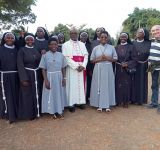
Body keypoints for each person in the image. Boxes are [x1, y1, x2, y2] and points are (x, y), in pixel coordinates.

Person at [39, 38, 67, 119]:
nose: (54, 46)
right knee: (50, 94)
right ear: (49, 45)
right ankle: (51, 111)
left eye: (55, 44)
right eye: (52, 44)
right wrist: (46, 80)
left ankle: (59, 111)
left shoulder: (61, 55)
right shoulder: (45, 55)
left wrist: (64, 78)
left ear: (57, 45)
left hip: (59, 77)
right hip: (49, 77)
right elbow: (43, 69)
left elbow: (63, 68)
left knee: (58, 94)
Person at [90, 31, 117, 112]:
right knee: (98, 86)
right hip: (98, 68)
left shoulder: (112, 47)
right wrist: (100, 59)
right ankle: (99, 105)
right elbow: (91, 60)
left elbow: (115, 58)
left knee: (108, 86)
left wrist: (107, 58)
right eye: (102, 37)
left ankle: (107, 104)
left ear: (108, 38)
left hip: (108, 68)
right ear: (99, 38)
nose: (103, 39)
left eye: (105, 37)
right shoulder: (95, 48)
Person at [62, 27, 88, 112]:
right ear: (70, 34)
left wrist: (83, 65)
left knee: (81, 85)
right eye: (72, 33)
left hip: (82, 68)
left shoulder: (82, 44)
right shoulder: (65, 44)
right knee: (72, 86)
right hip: (72, 68)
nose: (74, 35)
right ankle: (71, 104)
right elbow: (66, 58)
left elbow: (86, 56)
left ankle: (80, 102)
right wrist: (76, 66)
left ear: (77, 34)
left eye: (75, 33)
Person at [17, 33, 41, 120]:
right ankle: (30, 114)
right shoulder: (22, 50)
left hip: (36, 74)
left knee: (37, 93)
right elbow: (20, 64)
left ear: (33, 40)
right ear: (25, 41)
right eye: (28, 39)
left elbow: (40, 61)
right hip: (27, 74)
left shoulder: (36, 49)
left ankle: (38, 111)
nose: (30, 41)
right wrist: (23, 78)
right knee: (28, 94)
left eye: (31, 39)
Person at [0, 32, 19, 123]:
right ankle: (9, 115)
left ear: (14, 39)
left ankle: (16, 114)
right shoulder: (1, 49)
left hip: (16, 76)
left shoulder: (17, 50)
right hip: (5, 76)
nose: (10, 39)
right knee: (7, 96)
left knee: (16, 95)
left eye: (12, 38)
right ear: (4, 38)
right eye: (8, 37)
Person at [115, 32, 137, 108]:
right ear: (119, 38)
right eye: (121, 37)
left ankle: (126, 101)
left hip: (127, 69)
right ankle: (118, 100)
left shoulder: (131, 47)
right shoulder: (116, 47)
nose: (123, 38)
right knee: (118, 85)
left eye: (124, 37)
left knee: (126, 85)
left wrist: (127, 64)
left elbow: (135, 59)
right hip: (118, 69)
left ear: (127, 38)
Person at [133, 28, 151, 105]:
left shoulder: (148, 43)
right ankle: (133, 99)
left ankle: (142, 99)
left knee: (143, 82)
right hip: (135, 64)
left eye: (140, 32)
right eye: (137, 32)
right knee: (134, 82)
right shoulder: (133, 43)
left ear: (144, 34)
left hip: (144, 64)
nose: (138, 33)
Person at [147, 25, 160, 112]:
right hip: (152, 66)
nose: (154, 32)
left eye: (156, 30)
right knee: (154, 85)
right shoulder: (151, 41)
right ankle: (154, 103)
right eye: (152, 31)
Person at [78, 31, 92, 103]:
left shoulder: (90, 45)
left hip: (87, 68)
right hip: (78, 68)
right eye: (82, 36)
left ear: (87, 37)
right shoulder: (76, 44)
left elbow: (91, 58)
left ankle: (85, 98)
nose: (83, 37)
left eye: (85, 36)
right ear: (79, 36)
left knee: (87, 83)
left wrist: (90, 69)